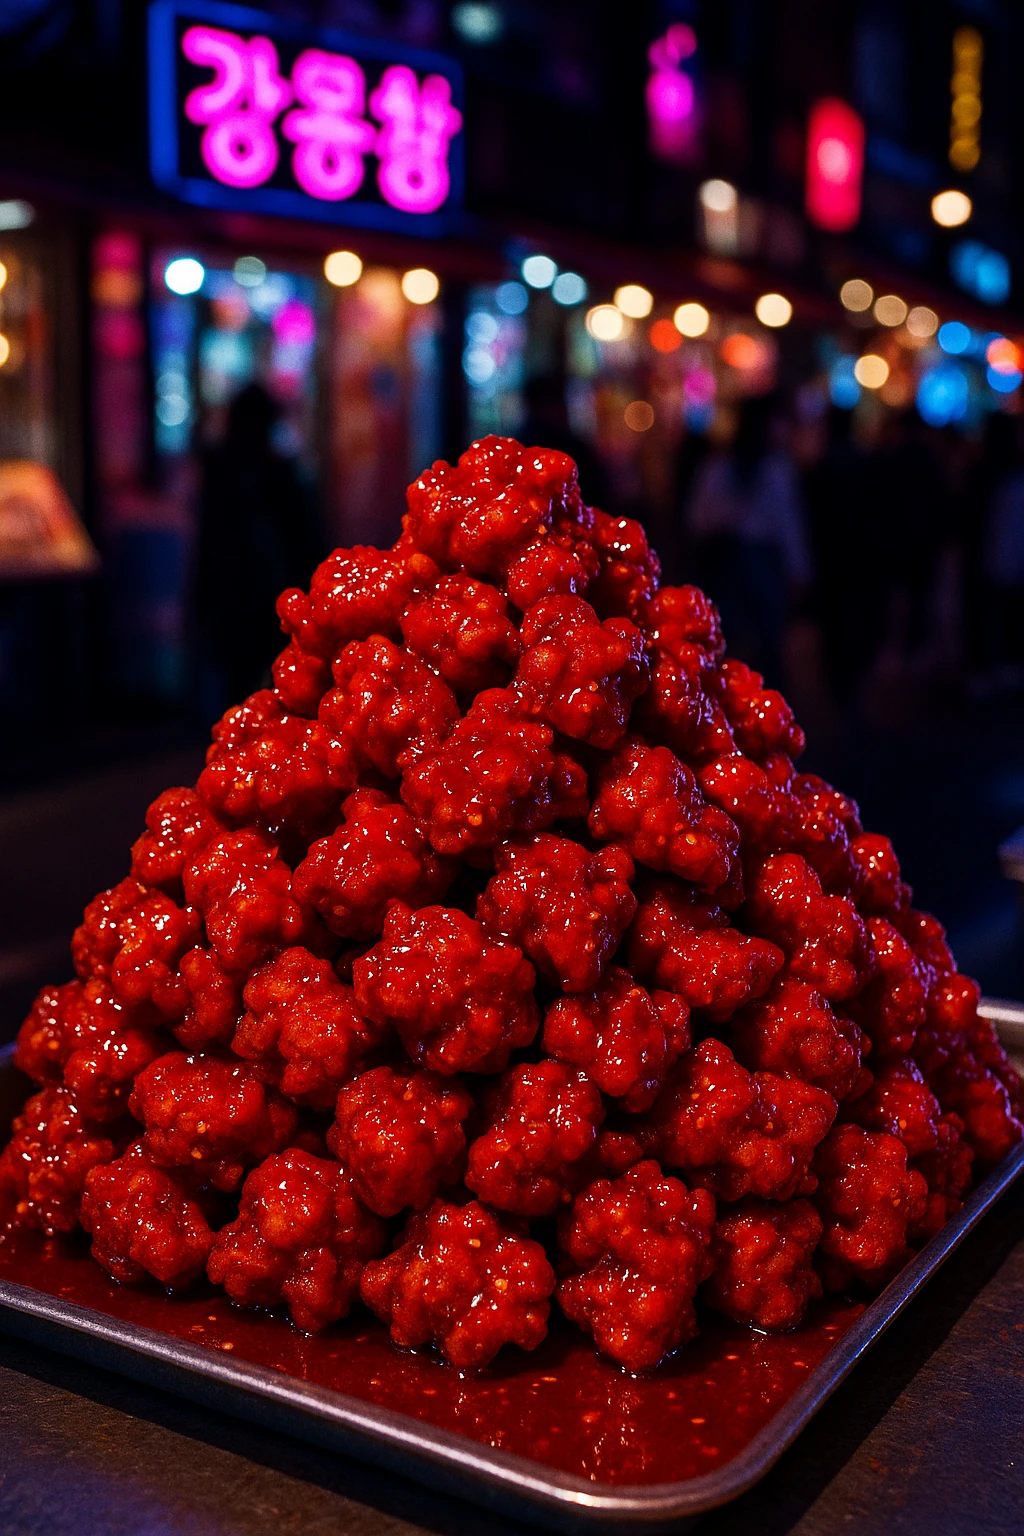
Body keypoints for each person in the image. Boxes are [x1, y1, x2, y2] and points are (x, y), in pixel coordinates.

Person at [195, 383, 323, 711]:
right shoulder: (275, 471)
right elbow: (303, 536)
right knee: (267, 675)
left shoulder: (224, 469)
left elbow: (209, 541)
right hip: (265, 585)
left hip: (240, 587)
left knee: (241, 680)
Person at [685, 393, 810, 687]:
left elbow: (696, 520)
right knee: (761, 643)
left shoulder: (718, 468)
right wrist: (799, 570)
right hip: (750, 562)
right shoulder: (774, 470)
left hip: (732, 561)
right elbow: (788, 525)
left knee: (733, 643)